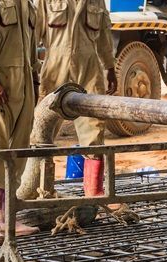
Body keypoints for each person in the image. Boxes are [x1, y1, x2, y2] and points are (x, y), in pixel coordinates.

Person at [36, 0, 118, 193]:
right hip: (55, 68)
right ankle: (39, 189)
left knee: (94, 128)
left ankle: (93, 191)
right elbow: (32, 33)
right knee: (42, 131)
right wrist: (31, 69)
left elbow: (105, 35)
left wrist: (110, 68)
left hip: (89, 69)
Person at [0, 0, 41, 243]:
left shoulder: (28, 4)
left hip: (23, 86)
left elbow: (31, 46)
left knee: (17, 150)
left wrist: (35, 79)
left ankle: (6, 216)